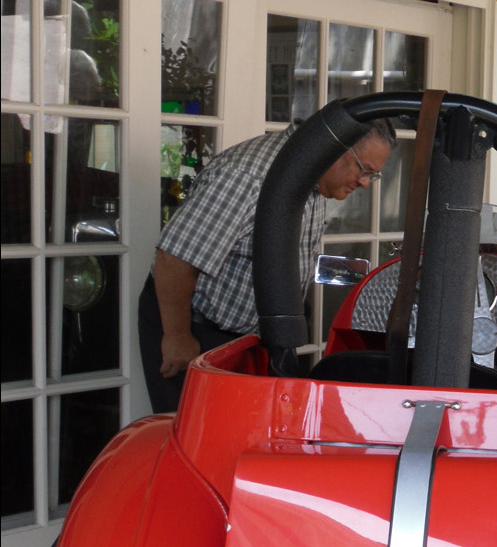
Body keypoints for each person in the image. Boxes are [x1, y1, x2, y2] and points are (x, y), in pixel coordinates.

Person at [139, 119, 395, 411]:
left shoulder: (314, 178)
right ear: (335, 147)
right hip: (194, 328)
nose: (364, 183)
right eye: (365, 171)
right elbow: (175, 258)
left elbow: (295, 259)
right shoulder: (247, 176)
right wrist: (177, 336)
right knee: (196, 439)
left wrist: (373, 276)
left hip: (248, 337)